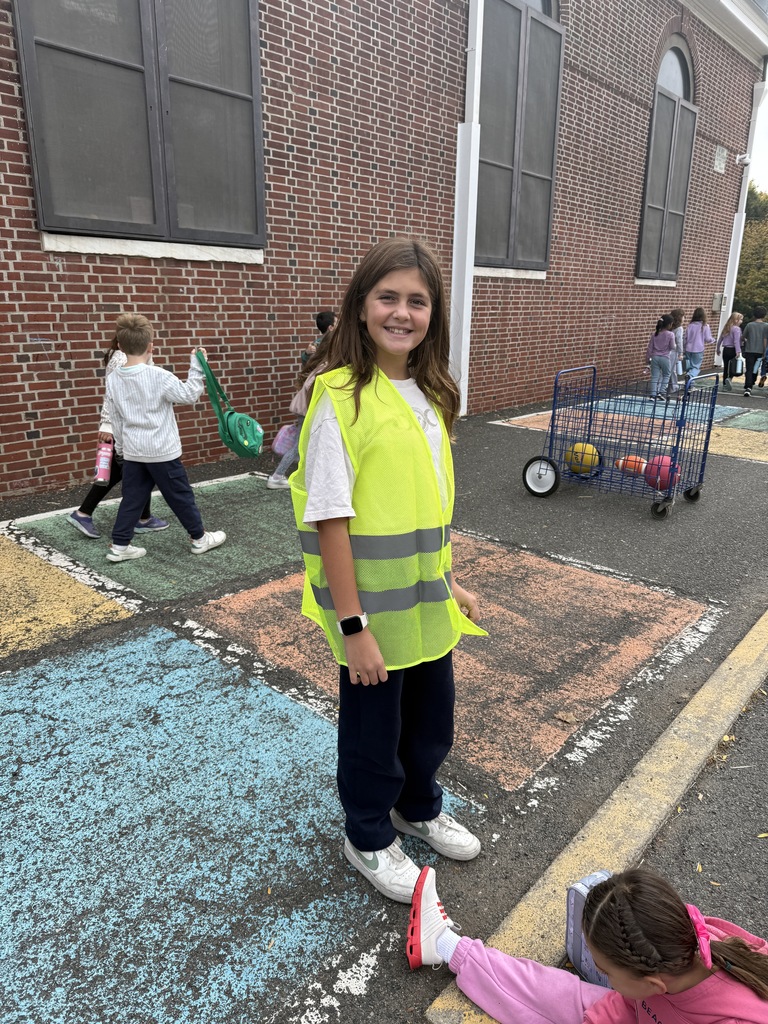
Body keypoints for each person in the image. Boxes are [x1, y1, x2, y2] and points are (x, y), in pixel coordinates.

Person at [290, 238, 487, 903]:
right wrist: (353, 626)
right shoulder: (339, 398)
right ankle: (369, 834)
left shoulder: (432, 393)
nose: (402, 312)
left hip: (427, 608)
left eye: (418, 300)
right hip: (370, 615)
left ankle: (418, 806)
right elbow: (332, 521)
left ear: (434, 313)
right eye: (388, 297)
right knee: (374, 735)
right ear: (361, 306)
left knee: (431, 723)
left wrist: (449, 580)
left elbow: (421, 503)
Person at [407, 865, 768, 1024]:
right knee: (555, 991)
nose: (602, 976)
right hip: (647, 1010)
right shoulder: (686, 948)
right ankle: (443, 944)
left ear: (653, 984)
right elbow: (627, 1004)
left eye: (606, 971)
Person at [102, 313, 226, 562]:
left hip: (134, 451)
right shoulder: (158, 375)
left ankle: (120, 545)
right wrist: (196, 364)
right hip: (162, 451)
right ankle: (199, 538)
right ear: (150, 346)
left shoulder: (113, 378)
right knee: (180, 495)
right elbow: (190, 394)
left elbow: (115, 416)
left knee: (133, 497)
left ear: (120, 346)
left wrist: (122, 450)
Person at [68, 333, 168, 539]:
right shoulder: (122, 358)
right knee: (137, 474)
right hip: (120, 428)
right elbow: (111, 394)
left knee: (126, 473)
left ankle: (138, 517)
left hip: (127, 427)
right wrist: (107, 424)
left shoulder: (134, 356)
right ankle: (135, 519)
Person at [267, 318, 335, 489]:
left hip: (304, 410)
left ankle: (296, 474)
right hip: (306, 410)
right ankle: (277, 476)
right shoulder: (325, 366)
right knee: (299, 446)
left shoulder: (319, 362)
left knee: (306, 445)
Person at [645, 315, 675, 399]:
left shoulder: (654, 334)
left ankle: (653, 394)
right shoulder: (670, 334)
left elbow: (649, 348)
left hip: (654, 357)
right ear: (669, 324)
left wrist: (647, 360)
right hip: (665, 357)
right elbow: (672, 346)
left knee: (654, 376)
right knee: (666, 374)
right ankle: (661, 392)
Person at [742, 305, 768, 396]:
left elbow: (743, 337)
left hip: (750, 350)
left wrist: (745, 340)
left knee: (749, 368)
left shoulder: (749, 325)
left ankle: (748, 386)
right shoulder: (766, 326)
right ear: (764, 315)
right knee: (755, 368)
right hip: (760, 351)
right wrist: (764, 352)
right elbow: (765, 339)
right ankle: (752, 381)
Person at [683, 307, 713, 381]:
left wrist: (683, 348)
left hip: (688, 348)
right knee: (695, 367)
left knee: (689, 367)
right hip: (698, 349)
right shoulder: (705, 326)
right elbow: (707, 339)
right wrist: (713, 340)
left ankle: (689, 384)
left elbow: (685, 338)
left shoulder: (690, 325)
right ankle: (690, 376)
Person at [716, 311, 744, 392]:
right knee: (733, 367)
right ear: (736, 320)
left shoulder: (726, 327)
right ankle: (729, 378)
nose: (741, 321)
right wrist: (738, 351)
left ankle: (725, 384)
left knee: (726, 367)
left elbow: (720, 339)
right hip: (733, 350)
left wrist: (718, 349)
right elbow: (736, 341)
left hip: (725, 350)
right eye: (740, 320)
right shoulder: (737, 329)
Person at [666, 308, 685, 394]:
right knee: (670, 369)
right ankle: (669, 387)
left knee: (671, 369)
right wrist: (681, 352)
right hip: (674, 350)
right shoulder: (679, 328)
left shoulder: (669, 327)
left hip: (666, 350)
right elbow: (679, 340)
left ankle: (673, 386)